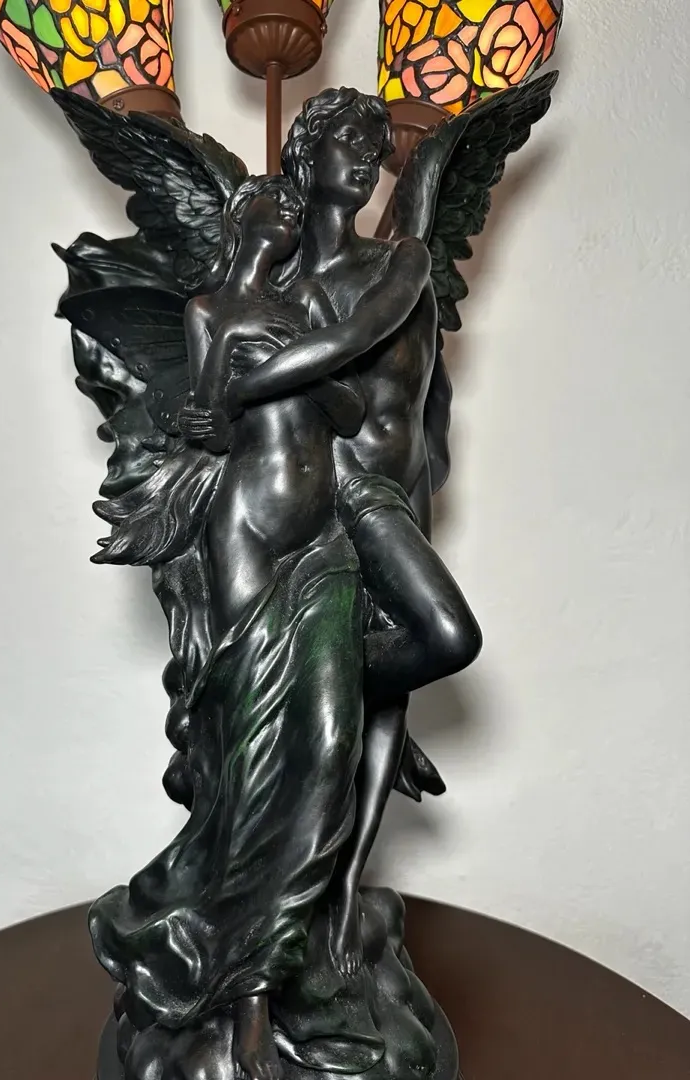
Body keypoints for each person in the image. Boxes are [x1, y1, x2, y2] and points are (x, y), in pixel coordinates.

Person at [89, 175, 380, 1080]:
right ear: (241, 218)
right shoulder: (210, 309)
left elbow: (351, 411)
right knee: (255, 768)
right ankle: (250, 993)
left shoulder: (309, 307)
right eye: (270, 201)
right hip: (249, 535)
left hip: (323, 540)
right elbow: (213, 422)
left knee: (327, 751)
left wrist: (306, 362)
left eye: (295, 205)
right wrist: (250, 388)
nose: (288, 210)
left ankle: (295, 957)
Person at [192, 89, 484, 977]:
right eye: (348, 141)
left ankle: (347, 889)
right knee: (447, 636)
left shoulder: (402, 261)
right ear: (304, 156)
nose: (366, 158)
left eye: (374, 146)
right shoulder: (281, 294)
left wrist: (237, 387)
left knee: (389, 695)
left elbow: (361, 344)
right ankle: (306, 722)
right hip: (340, 493)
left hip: (404, 488)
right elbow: (298, 405)